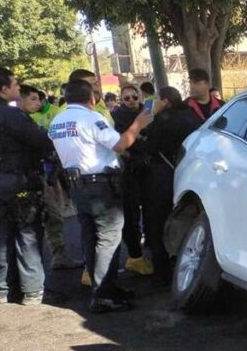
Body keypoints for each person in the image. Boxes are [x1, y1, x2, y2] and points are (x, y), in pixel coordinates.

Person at [48, 78, 152, 312]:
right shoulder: (91, 117)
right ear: (91, 98)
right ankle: (104, 294)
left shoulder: (58, 120)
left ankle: (105, 288)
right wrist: (138, 124)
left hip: (76, 185)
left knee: (90, 237)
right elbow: (120, 144)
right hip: (100, 186)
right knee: (108, 238)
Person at [0, 67, 55, 305]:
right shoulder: (10, 115)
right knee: (27, 233)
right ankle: (32, 289)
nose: (18, 88)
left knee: (4, 234)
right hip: (18, 179)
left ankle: (3, 289)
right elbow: (39, 141)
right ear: (4, 88)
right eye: (15, 84)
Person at [138, 87, 199, 285]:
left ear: (164, 101)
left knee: (157, 221)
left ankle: (162, 270)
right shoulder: (190, 115)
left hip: (163, 175)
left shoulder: (162, 120)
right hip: (190, 174)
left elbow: (149, 145)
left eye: (156, 99)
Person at [18, 86, 81, 270]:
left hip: (39, 175)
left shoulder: (25, 120)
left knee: (52, 218)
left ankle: (58, 256)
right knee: (32, 227)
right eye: (33, 99)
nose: (39, 103)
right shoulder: (17, 122)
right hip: (26, 180)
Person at [111, 84, 153, 276]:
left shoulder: (148, 113)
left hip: (148, 168)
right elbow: (119, 143)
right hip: (128, 172)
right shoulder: (116, 117)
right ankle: (135, 256)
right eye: (126, 98)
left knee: (152, 212)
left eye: (134, 97)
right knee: (131, 216)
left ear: (140, 97)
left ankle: (150, 250)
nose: (130, 101)